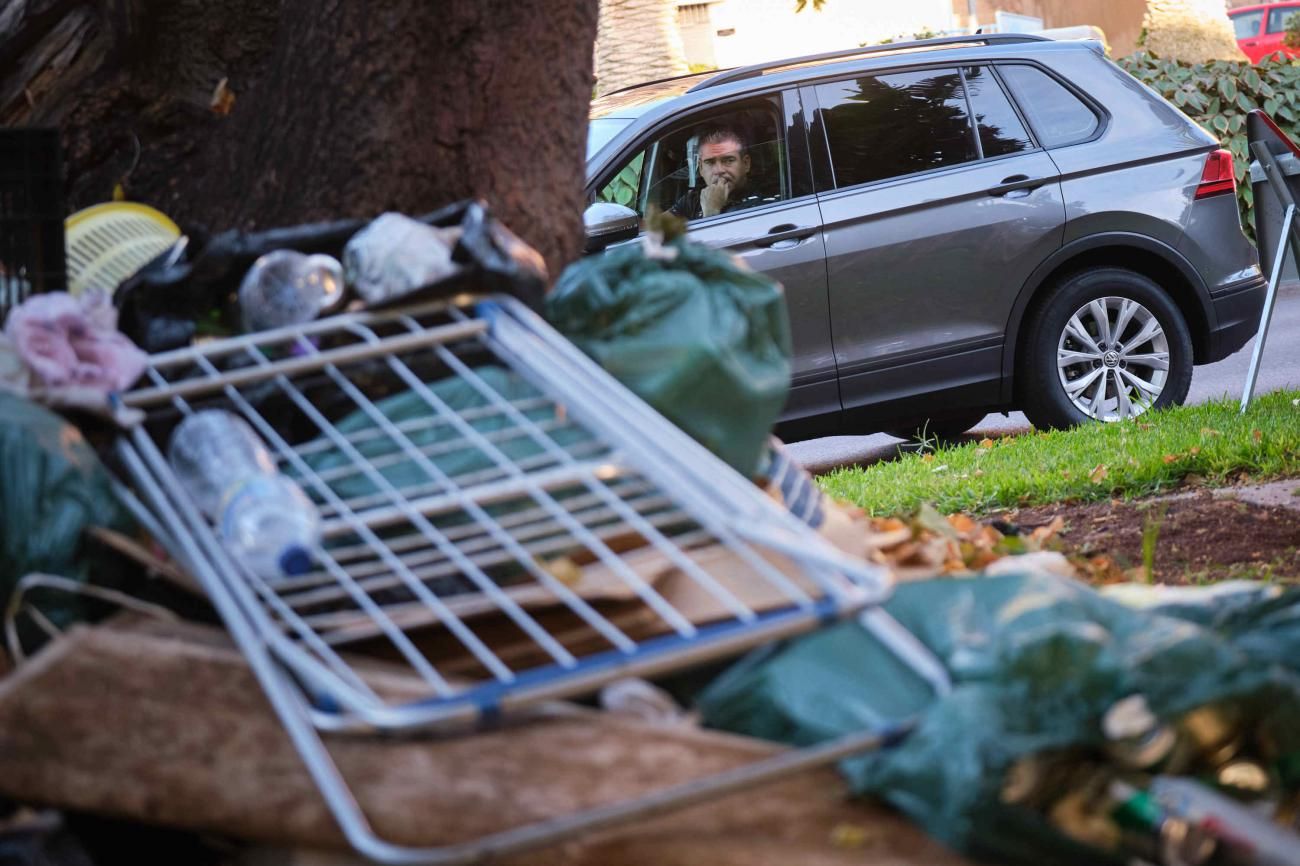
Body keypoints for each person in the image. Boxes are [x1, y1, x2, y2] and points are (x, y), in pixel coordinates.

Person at [669, 125, 767, 220]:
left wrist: (711, 212)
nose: (719, 170)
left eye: (729, 160)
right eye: (710, 162)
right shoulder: (692, 200)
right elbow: (656, 231)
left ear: (746, 164)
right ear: (701, 168)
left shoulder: (764, 203)